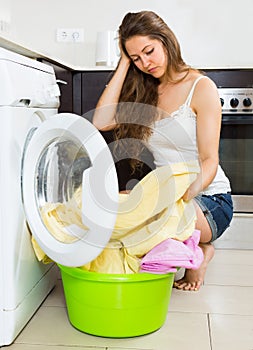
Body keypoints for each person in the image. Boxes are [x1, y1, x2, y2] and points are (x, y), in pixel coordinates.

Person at [93, 10, 233, 291]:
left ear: (166, 41)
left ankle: (199, 251)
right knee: (118, 208)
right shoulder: (145, 92)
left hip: (209, 201)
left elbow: (210, 159)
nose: (145, 63)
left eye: (149, 51)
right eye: (136, 58)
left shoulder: (200, 87)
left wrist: (175, 196)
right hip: (167, 197)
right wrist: (123, 62)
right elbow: (101, 120)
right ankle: (190, 248)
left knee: (142, 220)